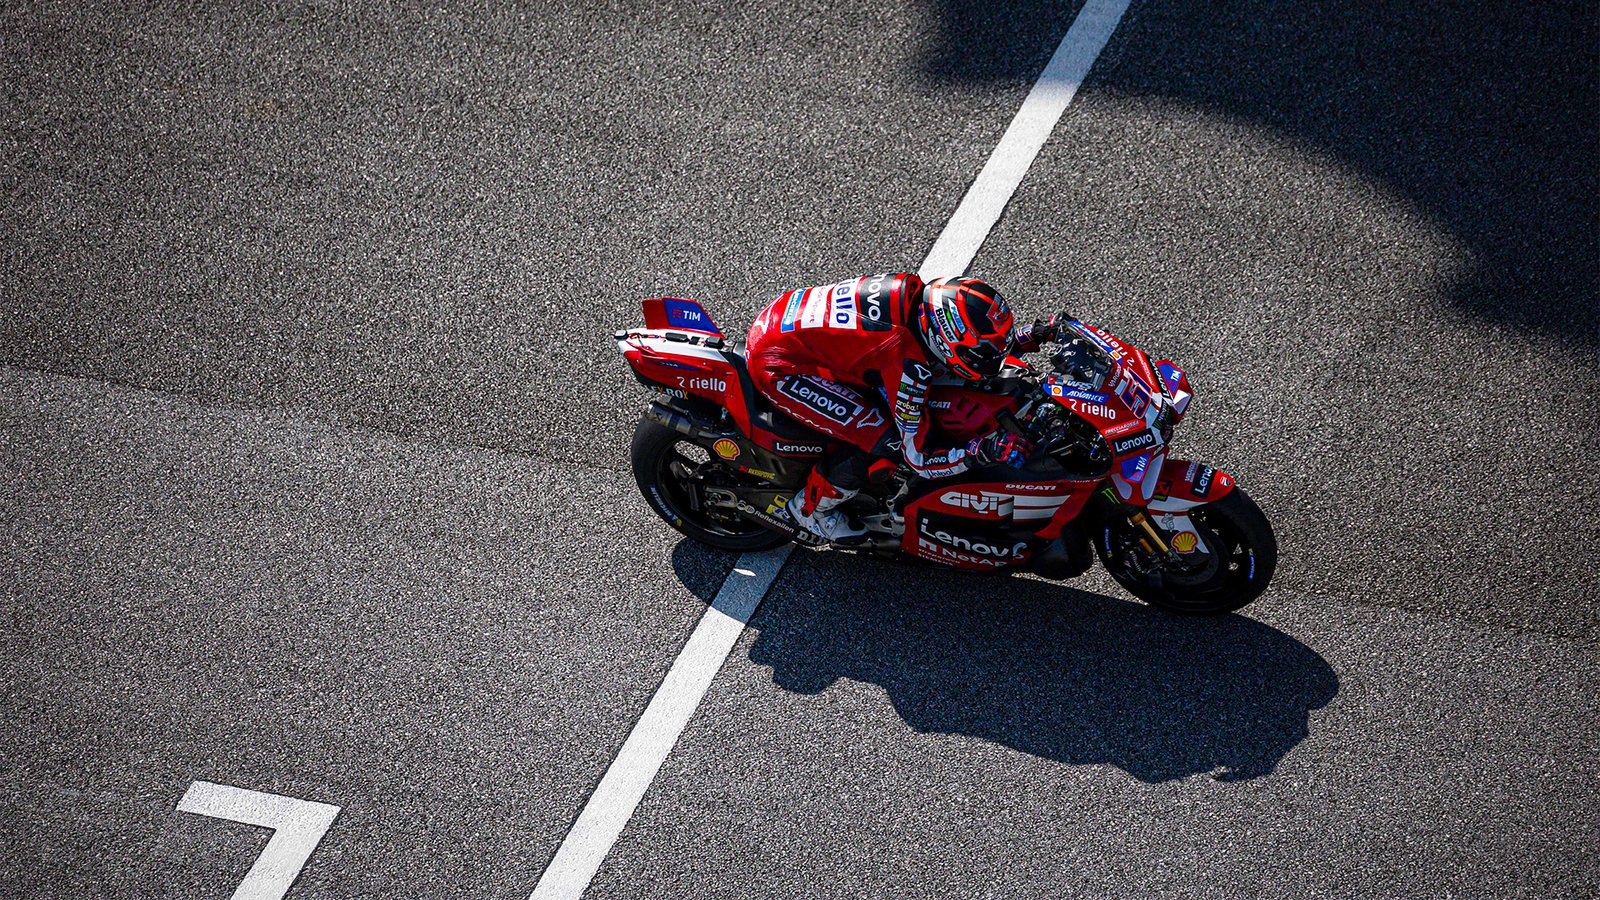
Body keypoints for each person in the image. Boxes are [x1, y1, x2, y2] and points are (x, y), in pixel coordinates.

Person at [746, 272, 1066, 542]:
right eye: (984, 355)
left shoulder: (923, 298)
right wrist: (982, 450)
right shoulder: (907, 366)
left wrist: (1030, 336)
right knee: (884, 440)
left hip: (787, 318)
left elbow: (969, 342)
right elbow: (919, 459)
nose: (990, 361)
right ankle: (809, 510)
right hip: (780, 366)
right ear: (946, 339)